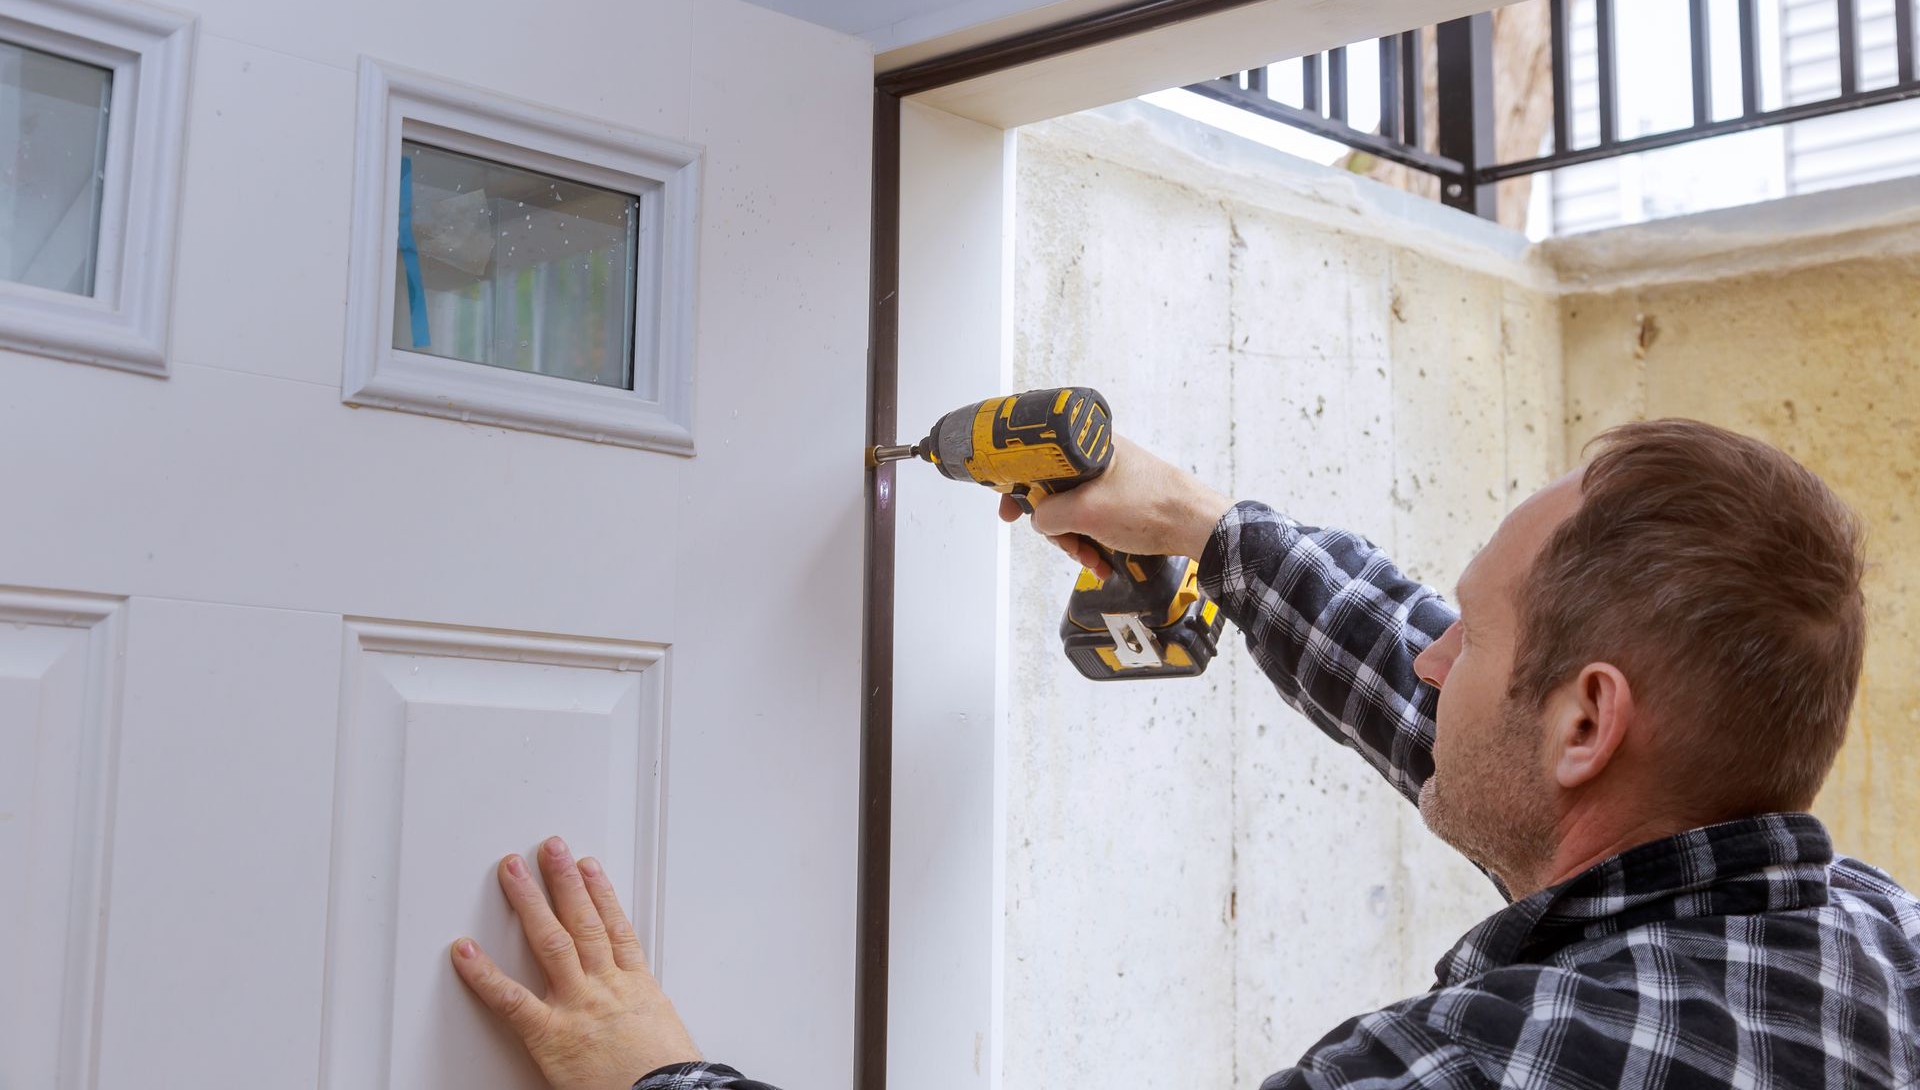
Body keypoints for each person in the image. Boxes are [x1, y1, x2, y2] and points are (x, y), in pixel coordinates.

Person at [452, 418, 1920, 1089]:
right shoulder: (1876, 939)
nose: (1426, 658)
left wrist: (653, 1082)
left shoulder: (1499, 1070)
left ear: (1591, 720)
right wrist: (1203, 527)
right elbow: (1477, 735)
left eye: (1461, 630)